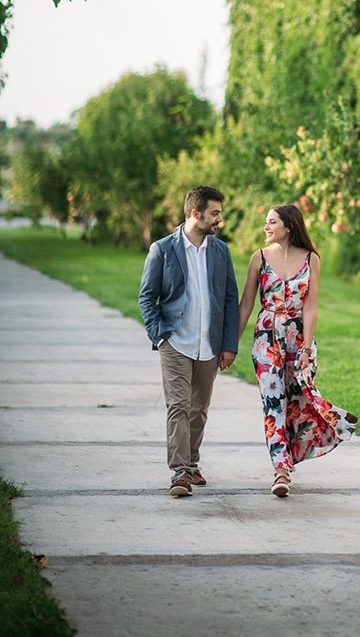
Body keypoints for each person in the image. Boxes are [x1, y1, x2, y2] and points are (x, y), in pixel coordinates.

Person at [238, 204, 357, 498]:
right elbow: (246, 305)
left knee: (298, 400)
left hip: (298, 339)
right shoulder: (259, 258)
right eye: (266, 222)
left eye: (272, 222)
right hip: (267, 338)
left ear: (289, 226)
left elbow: (311, 305)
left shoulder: (311, 259)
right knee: (273, 402)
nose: (266, 227)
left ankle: (316, 437)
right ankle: (281, 469)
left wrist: (306, 347)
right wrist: (230, 345)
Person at [139, 185, 239, 497]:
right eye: (215, 213)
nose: (219, 219)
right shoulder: (163, 249)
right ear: (196, 214)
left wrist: (229, 344)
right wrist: (160, 335)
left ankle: (192, 463)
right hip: (176, 342)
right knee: (179, 406)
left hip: (209, 343)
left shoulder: (221, 251)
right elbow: (147, 297)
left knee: (199, 409)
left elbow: (229, 298)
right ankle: (180, 472)